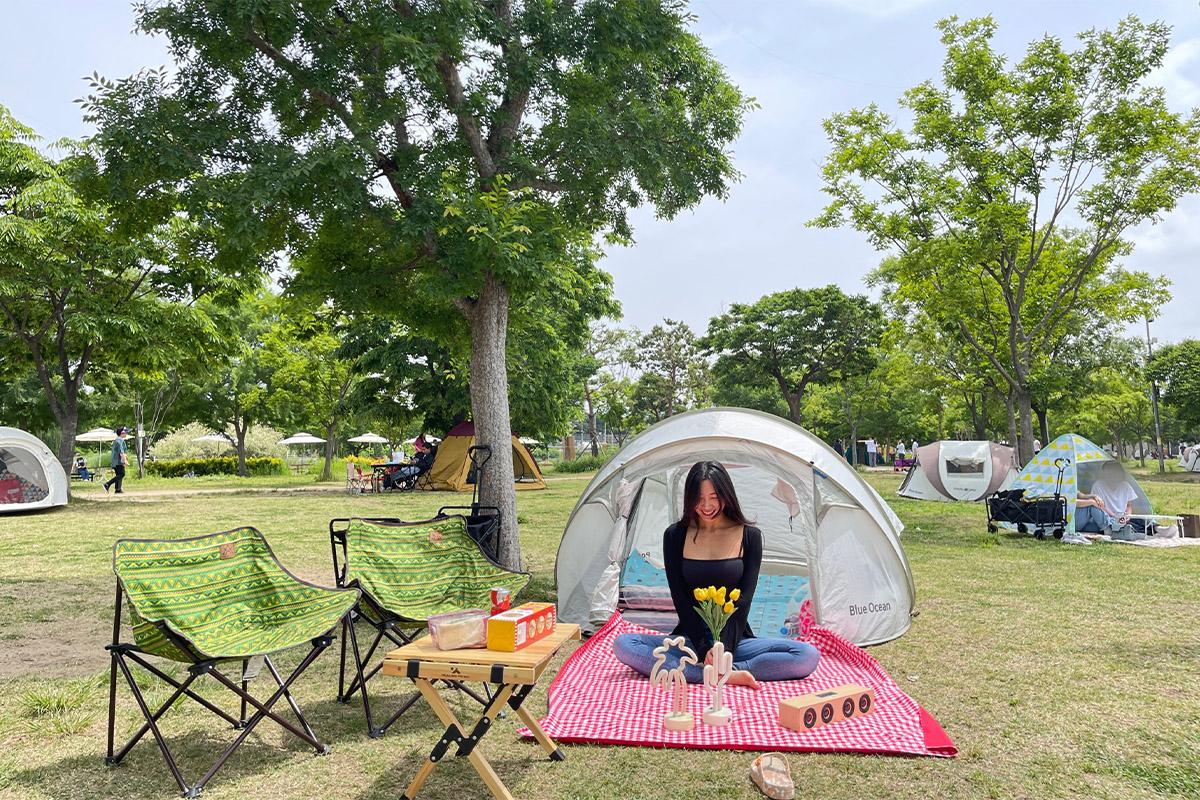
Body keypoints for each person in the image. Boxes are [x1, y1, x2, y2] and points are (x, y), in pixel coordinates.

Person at [613, 461, 820, 688]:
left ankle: (727, 671)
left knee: (807, 655)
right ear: (689, 498)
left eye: (714, 497)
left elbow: (743, 602)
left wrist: (723, 653)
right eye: (699, 498)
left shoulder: (750, 536)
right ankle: (712, 674)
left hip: (736, 640)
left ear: (726, 494)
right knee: (625, 644)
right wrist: (704, 649)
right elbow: (681, 600)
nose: (707, 505)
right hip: (691, 640)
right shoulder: (674, 536)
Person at [1075, 461, 1140, 539]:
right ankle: (1111, 528)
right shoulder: (1098, 485)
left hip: (1119, 518)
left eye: (1113, 473)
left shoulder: (1125, 486)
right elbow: (1100, 506)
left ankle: (1114, 528)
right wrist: (1115, 516)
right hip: (1107, 517)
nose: (1111, 476)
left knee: (1140, 522)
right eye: (1108, 473)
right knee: (1093, 506)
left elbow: (1129, 505)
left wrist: (1127, 516)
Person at [103, 427, 130, 494]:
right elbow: (121, 452)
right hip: (119, 461)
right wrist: (124, 461)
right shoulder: (120, 440)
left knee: (118, 474)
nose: (127, 433)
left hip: (115, 461)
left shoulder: (116, 440)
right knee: (121, 474)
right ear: (122, 433)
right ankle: (107, 484)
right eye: (126, 432)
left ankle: (118, 489)